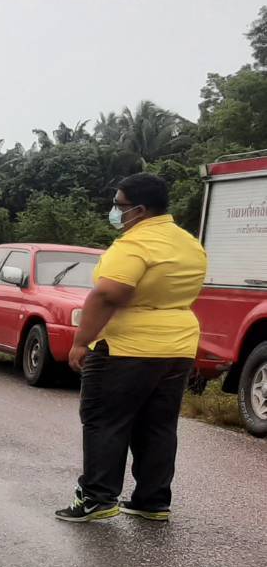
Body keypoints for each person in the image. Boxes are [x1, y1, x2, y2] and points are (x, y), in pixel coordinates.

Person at [56, 173, 207, 523]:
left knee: (104, 421)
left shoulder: (134, 244)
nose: (115, 211)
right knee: (158, 424)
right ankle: (152, 501)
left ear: (139, 210)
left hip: (127, 347)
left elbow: (109, 293)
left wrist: (80, 341)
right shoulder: (188, 244)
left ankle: (97, 498)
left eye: (119, 205)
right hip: (177, 346)